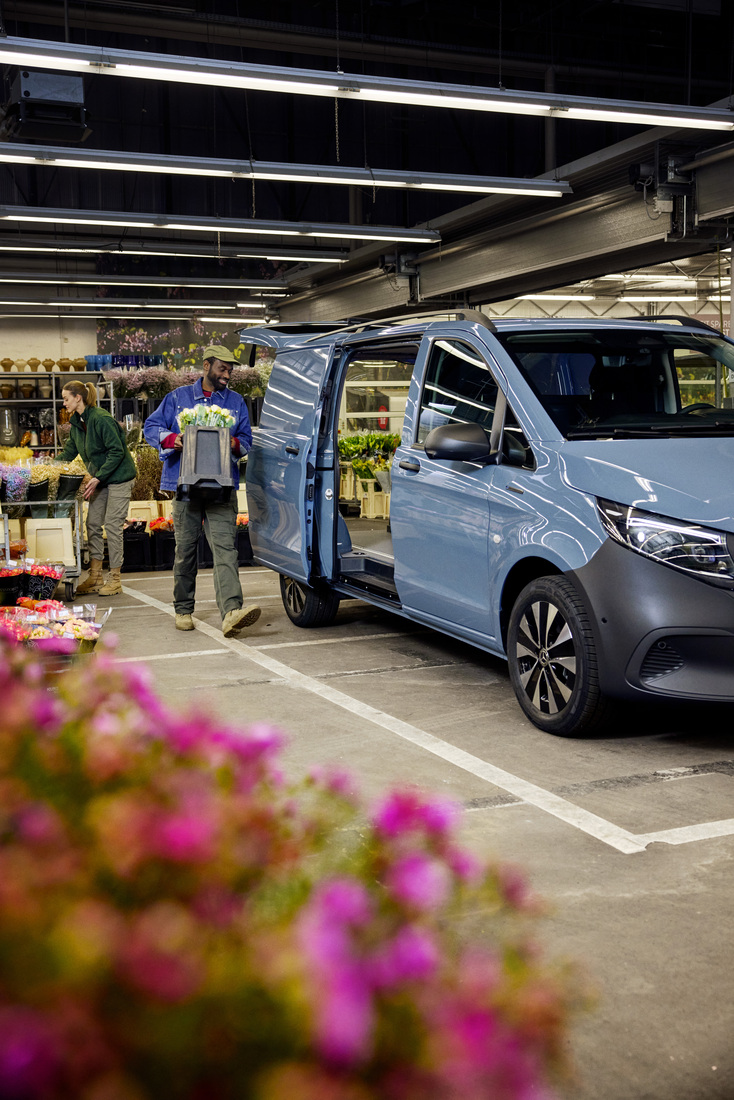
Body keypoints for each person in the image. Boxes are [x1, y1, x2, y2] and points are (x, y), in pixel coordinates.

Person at [143, 345, 261, 636]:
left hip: (222, 488)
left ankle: (231, 612)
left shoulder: (235, 402)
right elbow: (151, 426)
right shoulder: (178, 398)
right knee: (185, 551)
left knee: (226, 550)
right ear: (206, 365)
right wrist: (173, 439)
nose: (227, 375)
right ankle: (183, 609)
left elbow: (246, 439)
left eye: (230, 370)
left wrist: (232, 443)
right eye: (222, 368)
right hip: (186, 487)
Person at [57, 380, 137, 597]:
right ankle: (95, 576)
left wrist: (98, 477)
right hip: (101, 480)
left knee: (112, 525)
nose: (64, 403)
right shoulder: (77, 423)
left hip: (119, 478)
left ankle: (115, 579)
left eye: (66, 398)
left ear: (78, 398)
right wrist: (46, 468)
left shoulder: (101, 419)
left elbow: (117, 452)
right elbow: (69, 452)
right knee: (92, 524)